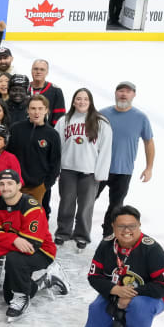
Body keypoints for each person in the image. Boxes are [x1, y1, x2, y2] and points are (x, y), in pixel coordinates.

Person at [83, 205, 164, 327]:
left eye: (132, 226)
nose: (126, 230)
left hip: (146, 298)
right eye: (121, 226)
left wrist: (131, 294)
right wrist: (115, 290)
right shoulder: (106, 245)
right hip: (114, 292)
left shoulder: (152, 249)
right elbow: (94, 276)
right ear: (113, 226)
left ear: (139, 225)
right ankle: (127, 322)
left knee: (139, 307)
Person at [0, 170, 64, 322]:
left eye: (10, 183)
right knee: (8, 297)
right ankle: (45, 281)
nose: (5, 188)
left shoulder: (31, 206)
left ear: (19, 185)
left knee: (14, 259)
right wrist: (13, 239)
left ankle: (22, 298)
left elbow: (31, 244)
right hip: (15, 249)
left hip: (42, 251)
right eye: (2, 184)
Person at [56, 89, 111, 251]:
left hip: (90, 172)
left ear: (90, 102)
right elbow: (57, 146)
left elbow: (105, 150)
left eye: (85, 99)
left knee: (86, 207)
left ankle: (82, 235)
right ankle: (63, 232)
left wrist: (101, 172)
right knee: (66, 204)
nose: (82, 102)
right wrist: (57, 169)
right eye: (78, 99)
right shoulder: (64, 120)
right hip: (68, 169)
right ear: (73, 102)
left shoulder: (101, 123)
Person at [98, 81, 154, 238]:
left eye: (128, 91)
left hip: (124, 170)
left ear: (134, 95)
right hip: (100, 167)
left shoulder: (141, 118)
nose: (124, 94)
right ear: (115, 93)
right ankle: (79, 232)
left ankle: (108, 236)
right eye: (121, 91)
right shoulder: (102, 114)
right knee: (87, 202)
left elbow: (149, 142)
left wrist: (149, 167)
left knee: (116, 207)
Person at [7, 95, 61, 215]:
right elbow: (8, 155)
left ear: (46, 110)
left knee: (33, 218)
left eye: (40, 108)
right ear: (27, 110)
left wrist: (45, 185)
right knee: (13, 217)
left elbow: (55, 163)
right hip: (16, 184)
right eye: (33, 108)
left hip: (38, 187)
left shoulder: (52, 135)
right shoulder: (15, 129)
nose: (37, 112)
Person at [28, 59, 66, 126]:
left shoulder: (56, 91)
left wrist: (51, 131)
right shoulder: (23, 88)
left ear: (47, 72)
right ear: (31, 71)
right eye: (35, 69)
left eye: (42, 69)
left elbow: (59, 117)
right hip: (24, 129)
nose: (38, 72)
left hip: (46, 130)